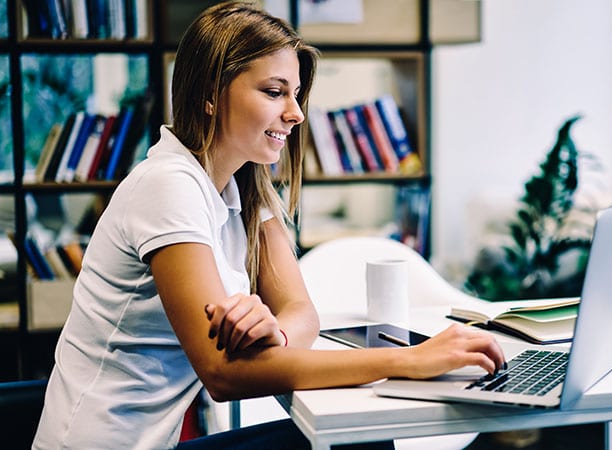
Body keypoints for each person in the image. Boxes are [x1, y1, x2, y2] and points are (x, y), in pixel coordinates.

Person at [32, 2, 505, 449]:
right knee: (353, 439)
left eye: (295, 94)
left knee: (355, 435)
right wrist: (407, 361)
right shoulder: (168, 186)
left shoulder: (244, 186)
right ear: (211, 96)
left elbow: (301, 309)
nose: (296, 113)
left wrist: (273, 335)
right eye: (275, 92)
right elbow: (223, 373)